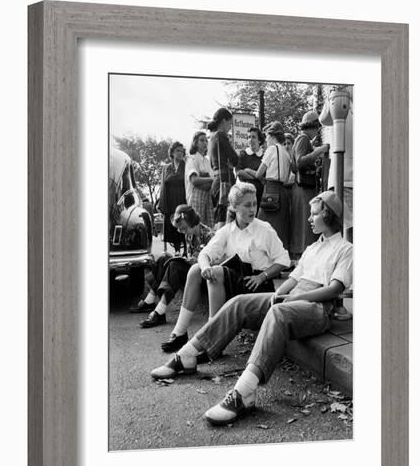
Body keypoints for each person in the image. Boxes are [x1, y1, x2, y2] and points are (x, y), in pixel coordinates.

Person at [151, 191, 352, 428]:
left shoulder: (346, 248)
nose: (309, 218)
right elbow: (294, 278)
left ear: (328, 216)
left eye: (314, 214)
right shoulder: (312, 248)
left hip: (317, 307)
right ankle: (187, 355)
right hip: (294, 297)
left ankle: (245, 392)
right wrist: (277, 295)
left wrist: (290, 299)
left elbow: (334, 289)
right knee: (240, 302)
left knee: (278, 313)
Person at [159, 181, 290, 353]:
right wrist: (205, 267)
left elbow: (284, 260)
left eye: (255, 204)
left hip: (256, 285)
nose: (253, 209)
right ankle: (180, 331)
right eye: (247, 205)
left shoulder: (265, 229)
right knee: (196, 269)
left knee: (218, 272)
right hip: (234, 281)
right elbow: (204, 254)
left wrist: (263, 276)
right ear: (235, 207)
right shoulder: (227, 231)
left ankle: (212, 339)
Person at [130, 205, 214, 327]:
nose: (181, 231)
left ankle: (159, 312)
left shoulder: (209, 236)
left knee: (175, 265)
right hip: (193, 270)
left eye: (183, 228)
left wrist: (196, 261)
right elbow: (191, 255)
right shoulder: (189, 234)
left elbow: (215, 262)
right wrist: (188, 259)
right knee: (164, 258)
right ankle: (150, 300)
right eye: (180, 229)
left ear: (191, 221)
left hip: (203, 277)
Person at [290, 111, 330, 260]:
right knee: (307, 223)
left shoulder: (303, 140)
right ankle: (305, 256)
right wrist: (319, 150)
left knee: (304, 223)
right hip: (304, 188)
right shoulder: (303, 139)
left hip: (302, 188)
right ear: (313, 126)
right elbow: (300, 161)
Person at [256, 121, 292, 250]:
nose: (266, 140)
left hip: (270, 190)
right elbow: (287, 178)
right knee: (280, 228)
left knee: (260, 226)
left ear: (272, 136)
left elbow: (259, 173)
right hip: (283, 191)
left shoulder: (272, 149)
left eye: (266, 137)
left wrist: (250, 173)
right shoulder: (287, 154)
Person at [207, 108, 239, 228]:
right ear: (224, 121)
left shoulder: (212, 138)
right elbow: (235, 159)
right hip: (225, 181)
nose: (230, 127)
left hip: (216, 180)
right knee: (226, 219)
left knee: (219, 216)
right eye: (230, 123)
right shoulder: (221, 136)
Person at [158, 141, 187, 254]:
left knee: (184, 222)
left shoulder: (186, 165)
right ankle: (176, 251)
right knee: (173, 224)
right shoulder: (166, 168)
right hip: (170, 199)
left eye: (182, 151)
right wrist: (162, 204)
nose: (180, 153)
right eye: (177, 151)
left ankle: (186, 248)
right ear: (172, 153)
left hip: (182, 198)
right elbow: (162, 186)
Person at [185, 131, 215, 228]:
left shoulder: (207, 160)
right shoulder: (191, 159)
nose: (205, 143)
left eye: (206, 141)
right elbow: (194, 181)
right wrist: (209, 179)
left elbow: (211, 180)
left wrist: (206, 178)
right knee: (197, 225)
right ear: (195, 143)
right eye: (202, 140)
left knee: (208, 226)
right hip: (196, 196)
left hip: (207, 195)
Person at [235, 127, 266, 210]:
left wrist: (248, 171)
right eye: (249, 137)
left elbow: (264, 178)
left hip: (260, 194)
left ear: (259, 140)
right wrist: (256, 176)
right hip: (245, 194)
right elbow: (239, 172)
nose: (250, 139)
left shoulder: (264, 156)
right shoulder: (242, 154)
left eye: (253, 137)